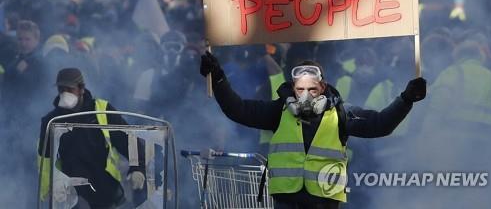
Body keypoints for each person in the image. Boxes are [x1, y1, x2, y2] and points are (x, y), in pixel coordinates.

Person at [200, 51, 426, 209]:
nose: (306, 95)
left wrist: (405, 100)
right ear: (292, 89)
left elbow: (380, 124)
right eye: (300, 89)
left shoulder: (341, 113)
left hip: (324, 202)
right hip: (286, 201)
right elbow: (238, 109)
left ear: (323, 87)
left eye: (312, 89)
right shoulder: (279, 111)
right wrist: (219, 79)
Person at [38, 68, 146, 209]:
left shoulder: (102, 110)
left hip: (104, 188)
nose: (65, 94)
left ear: (81, 89)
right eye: (61, 89)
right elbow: (45, 158)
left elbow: (128, 140)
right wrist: (48, 187)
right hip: (70, 192)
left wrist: (138, 168)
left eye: (69, 89)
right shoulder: (51, 120)